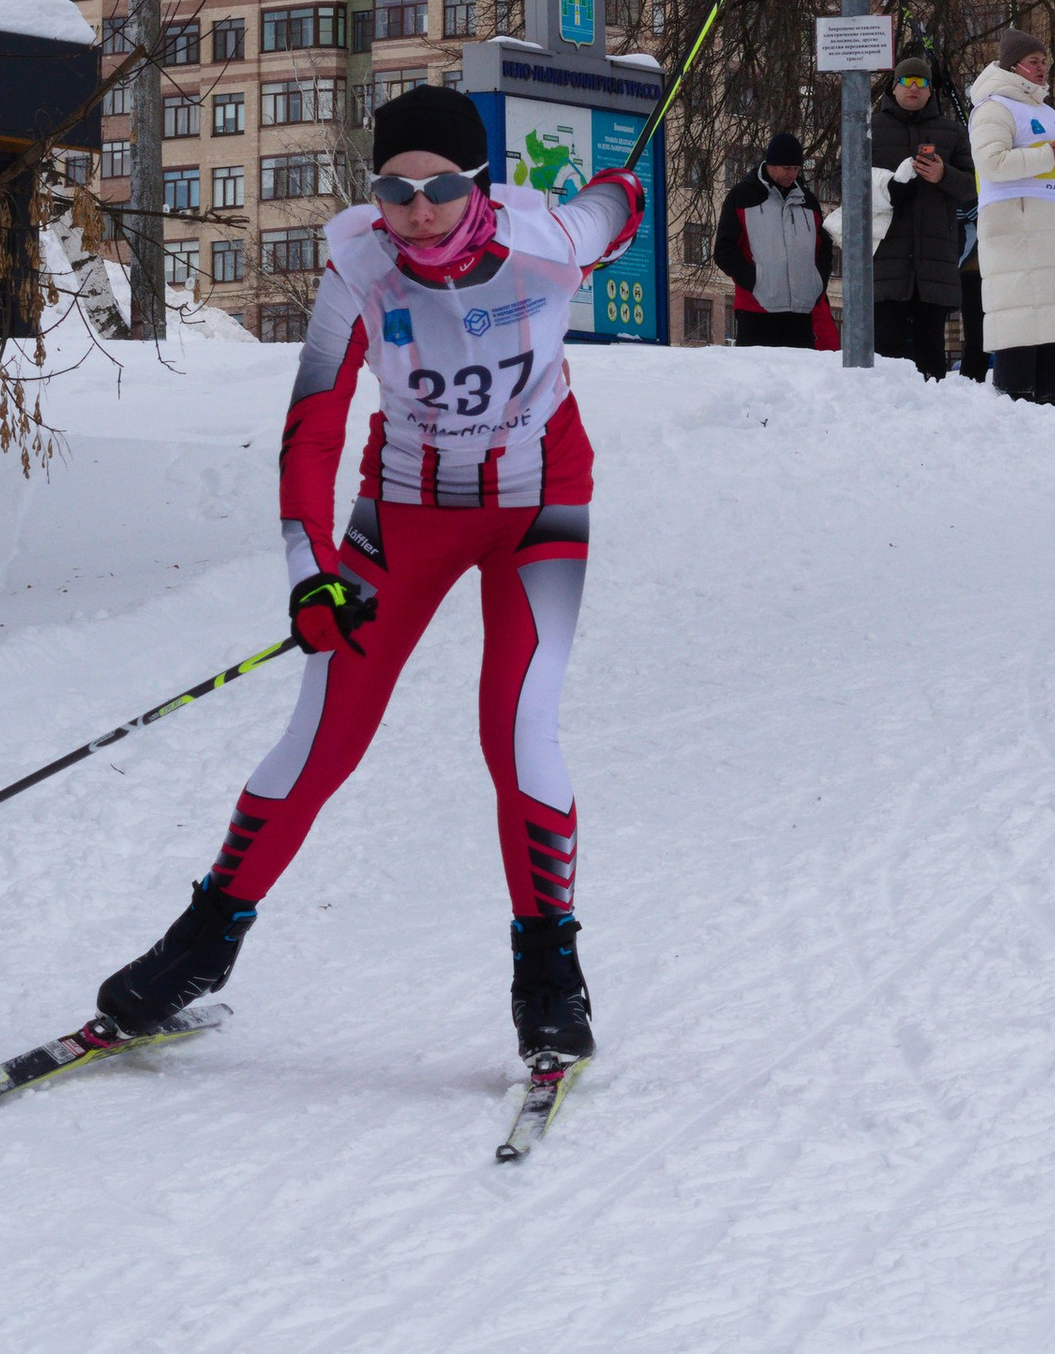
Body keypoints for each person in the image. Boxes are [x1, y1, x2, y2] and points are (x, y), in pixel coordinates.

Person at [96, 84, 644, 1068]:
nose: (416, 210)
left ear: (478, 183)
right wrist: (311, 574)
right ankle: (201, 948)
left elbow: (617, 203)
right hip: (403, 512)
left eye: (438, 187)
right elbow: (312, 427)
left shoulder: (549, 241)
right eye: (394, 188)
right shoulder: (358, 264)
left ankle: (549, 976)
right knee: (321, 733)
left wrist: (615, 191)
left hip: (538, 507)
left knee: (516, 728)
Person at [966, 28, 1055, 403]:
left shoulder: (1049, 113)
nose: (1043, 69)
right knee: (1020, 336)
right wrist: (1048, 155)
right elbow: (990, 162)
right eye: (1034, 62)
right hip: (1018, 237)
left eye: (1045, 62)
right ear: (1013, 66)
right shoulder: (994, 107)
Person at [871, 54, 976, 379]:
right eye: (907, 81)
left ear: (931, 90)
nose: (913, 89)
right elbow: (841, 180)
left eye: (921, 83)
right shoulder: (868, 127)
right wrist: (887, 187)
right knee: (886, 356)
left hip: (934, 262)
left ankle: (930, 426)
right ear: (894, 86)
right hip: (885, 260)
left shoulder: (952, 133)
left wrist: (944, 175)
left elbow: (975, 187)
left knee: (930, 360)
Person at [713, 131, 834, 347]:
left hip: (801, 311)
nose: (792, 174)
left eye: (796, 168)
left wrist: (816, 283)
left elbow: (823, 247)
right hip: (756, 310)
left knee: (801, 379)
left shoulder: (808, 200)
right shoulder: (742, 196)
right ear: (771, 164)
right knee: (758, 378)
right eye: (787, 168)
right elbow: (724, 250)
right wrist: (755, 281)